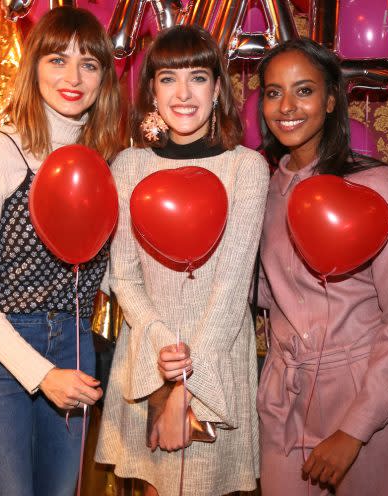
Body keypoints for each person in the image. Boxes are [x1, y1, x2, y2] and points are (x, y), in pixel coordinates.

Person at [0, 7, 121, 495]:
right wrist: (40, 373)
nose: (73, 77)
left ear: (104, 77)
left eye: (89, 64)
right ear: (34, 68)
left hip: (74, 339)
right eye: (57, 60)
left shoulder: (105, 162)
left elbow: (103, 271)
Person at [95, 25, 269, 496]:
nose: (184, 92)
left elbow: (233, 289)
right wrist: (160, 358)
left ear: (217, 89)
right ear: (151, 89)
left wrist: (184, 390)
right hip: (148, 356)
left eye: (198, 76)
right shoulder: (129, 165)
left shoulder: (245, 168)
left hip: (216, 359)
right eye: (168, 78)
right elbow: (123, 276)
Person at [255, 38, 388, 495]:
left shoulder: (372, 185)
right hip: (284, 394)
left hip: (365, 392)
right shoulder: (262, 189)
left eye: (304, 90)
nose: (286, 106)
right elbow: (267, 299)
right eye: (273, 92)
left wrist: (356, 429)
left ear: (331, 100)